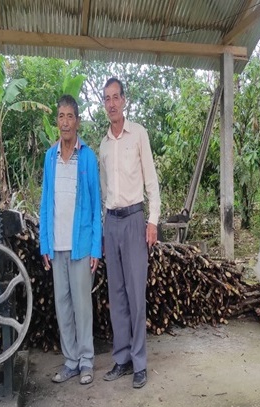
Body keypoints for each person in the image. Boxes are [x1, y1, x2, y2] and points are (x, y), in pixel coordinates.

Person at [99, 77, 161, 389]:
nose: (112, 104)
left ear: (124, 100)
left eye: (116, 97)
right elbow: (104, 190)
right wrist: (104, 227)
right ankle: (122, 358)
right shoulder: (103, 145)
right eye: (107, 99)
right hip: (111, 223)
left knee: (137, 294)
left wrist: (153, 220)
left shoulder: (138, 134)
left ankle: (139, 363)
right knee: (117, 294)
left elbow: (151, 180)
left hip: (135, 220)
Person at [39, 94, 102, 385]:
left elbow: (96, 204)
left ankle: (86, 361)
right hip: (57, 246)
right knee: (62, 306)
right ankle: (71, 362)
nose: (65, 122)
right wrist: (44, 243)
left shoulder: (87, 157)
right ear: (58, 121)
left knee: (82, 306)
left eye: (70, 117)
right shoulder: (50, 157)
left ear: (77, 121)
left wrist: (96, 248)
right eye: (61, 116)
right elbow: (45, 203)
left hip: (81, 245)